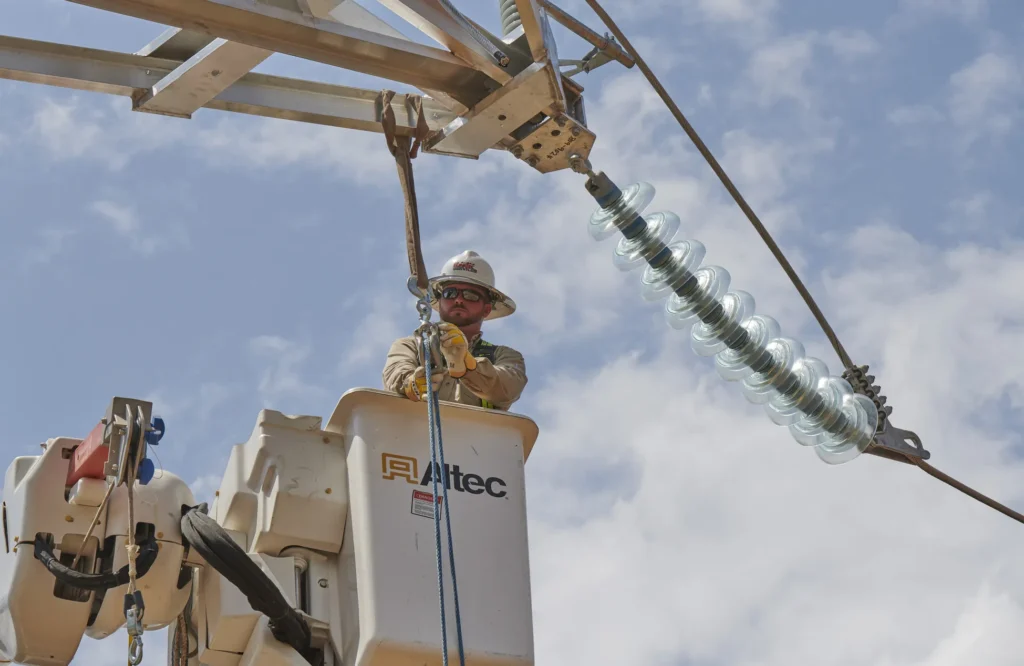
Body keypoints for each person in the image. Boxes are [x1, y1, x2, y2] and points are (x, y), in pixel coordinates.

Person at [382, 250, 527, 411]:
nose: (458, 299)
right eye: (450, 293)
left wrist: (467, 366)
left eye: (470, 295)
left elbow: (508, 387)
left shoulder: (504, 356)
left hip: (477, 435)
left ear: (486, 309)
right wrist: (413, 383)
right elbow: (396, 374)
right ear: (440, 300)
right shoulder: (411, 346)